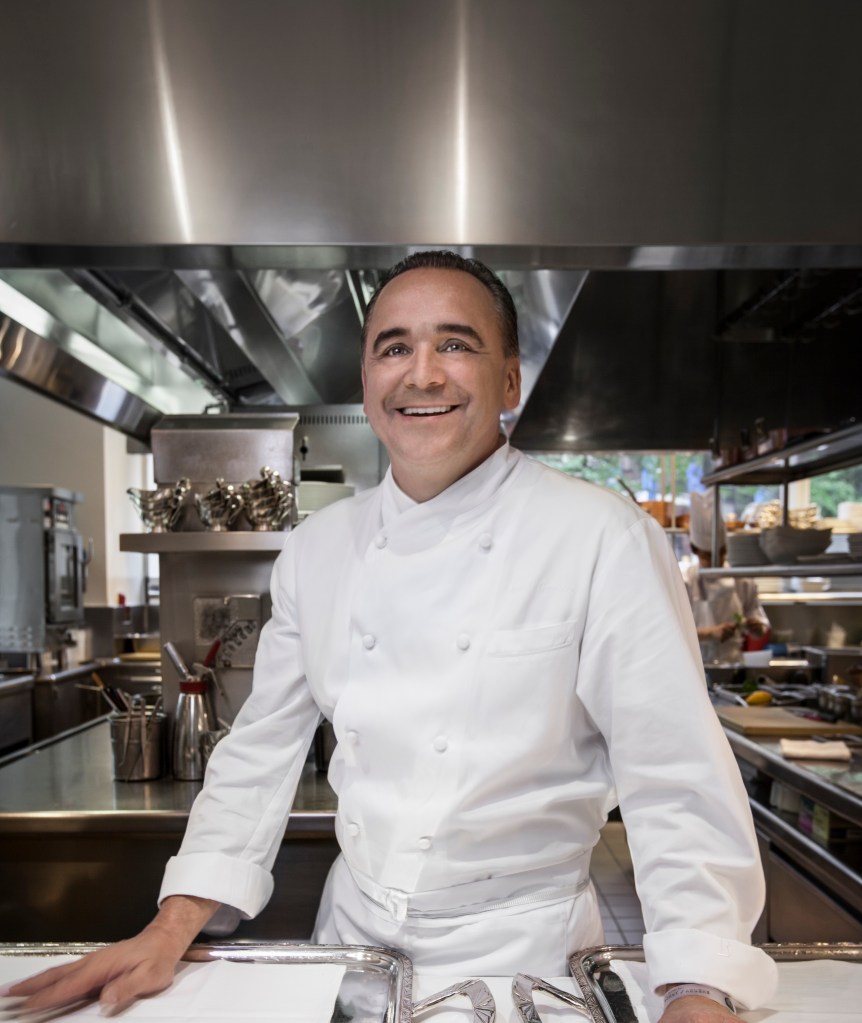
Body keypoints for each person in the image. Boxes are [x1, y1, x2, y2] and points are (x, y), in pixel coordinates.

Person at [8, 252, 778, 1022]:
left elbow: (674, 776)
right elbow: (257, 755)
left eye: (455, 344)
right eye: (395, 346)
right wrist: (170, 924)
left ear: (509, 380)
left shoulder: (600, 536)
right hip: (354, 958)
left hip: (527, 968)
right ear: (369, 381)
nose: (423, 374)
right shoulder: (319, 549)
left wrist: (698, 985)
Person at [683, 492, 770, 664]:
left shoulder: (743, 581)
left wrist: (756, 627)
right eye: (708, 555)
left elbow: (760, 625)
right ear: (694, 550)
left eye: (722, 552)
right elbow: (672, 633)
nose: (717, 561)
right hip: (695, 669)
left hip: (733, 665)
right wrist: (710, 633)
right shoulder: (685, 581)